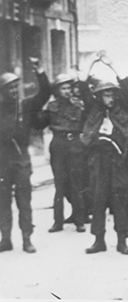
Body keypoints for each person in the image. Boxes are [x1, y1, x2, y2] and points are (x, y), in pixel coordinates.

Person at [79, 57, 128, 255]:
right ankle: (99, 240)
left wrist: (113, 65)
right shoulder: (93, 109)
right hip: (98, 159)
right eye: (105, 95)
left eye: (112, 95)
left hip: (117, 159)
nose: (109, 99)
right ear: (99, 97)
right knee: (97, 199)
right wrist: (92, 63)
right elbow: (82, 86)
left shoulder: (122, 108)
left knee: (120, 199)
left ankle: (122, 240)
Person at [0, 58, 50, 253]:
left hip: (22, 162)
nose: (13, 92)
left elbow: (45, 93)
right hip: (2, 163)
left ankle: (27, 239)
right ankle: (5, 239)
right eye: (9, 89)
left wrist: (40, 72)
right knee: (3, 202)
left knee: (24, 202)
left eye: (15, 88)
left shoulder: (26, 106)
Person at [36, 73, 87, 233]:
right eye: (63, 88)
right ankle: (57, 222)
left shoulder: (78, 105)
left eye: (69, 88)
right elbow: (39, 124)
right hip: (58, 145)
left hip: (74, 145)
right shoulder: (51, 107)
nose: (67, 91)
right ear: (57, 91)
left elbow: (85, 124)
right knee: (59, 185)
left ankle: (80, 220)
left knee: (76, 183)